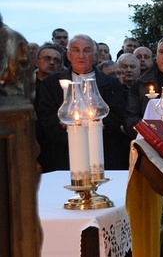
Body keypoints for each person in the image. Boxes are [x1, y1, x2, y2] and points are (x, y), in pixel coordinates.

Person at [35, 34, 130, 171]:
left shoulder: (111, 84)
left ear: (95, 56)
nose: (81, 55)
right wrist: (71, 131)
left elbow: (117, 114)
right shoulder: (51, 84)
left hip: (103, 150)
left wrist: (94, 126)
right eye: (76, 50)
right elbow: (46, 117)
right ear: (68, 55)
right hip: (62, 154)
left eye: (86, 50)